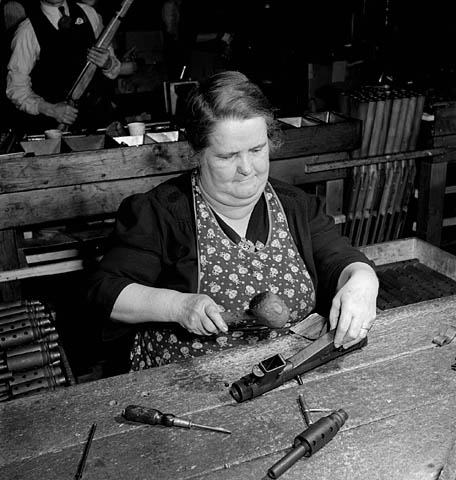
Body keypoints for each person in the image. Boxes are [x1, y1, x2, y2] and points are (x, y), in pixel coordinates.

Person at [87, 70, 379, 372]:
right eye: (228, 157)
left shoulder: (295, 206)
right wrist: (178, 306)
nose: (246, 168)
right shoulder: (162, 212)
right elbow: (105, 291)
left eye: (256, 150)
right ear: (198, 154)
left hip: (285, 374)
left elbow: (341, 259)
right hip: (189, 383)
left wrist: (363, 281)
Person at [5, 0, 121, 134]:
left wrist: (108, 64)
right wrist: (50, 109)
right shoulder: (27, 30)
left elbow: (113, 67)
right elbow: (16, 88)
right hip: (54, 131)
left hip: (100, 123)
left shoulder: (89, 14)